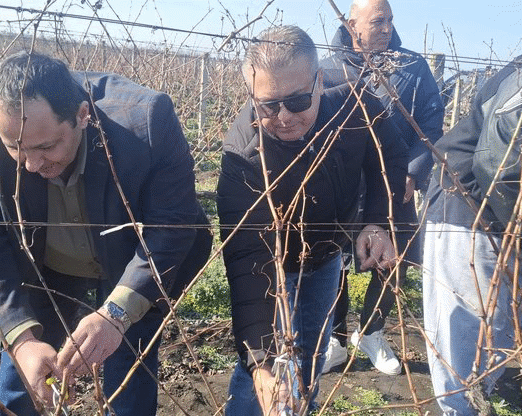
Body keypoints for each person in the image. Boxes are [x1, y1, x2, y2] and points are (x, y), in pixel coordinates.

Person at [0, 51, 212, 416]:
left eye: (46, 147)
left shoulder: (146, 121)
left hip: (129, 263)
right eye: (15, 148)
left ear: (82, 116)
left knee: (129, 384)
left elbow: (171, 225)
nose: (31, 165)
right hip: (43, 264)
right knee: (21, 382)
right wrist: (22, 341)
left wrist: (116, 313)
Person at [216, 25, 407, 415]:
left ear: (319, 81)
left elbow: (388, 152)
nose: (284, 117)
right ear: (252, 94)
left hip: (326, 255)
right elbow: (247, 262)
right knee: (264, 368)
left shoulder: (354, 102)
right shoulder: (243, 157)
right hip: (271, 263)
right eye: (268, 105)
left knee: (311, 357)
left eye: (298, 100)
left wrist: (376, 220)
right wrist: (262, 366)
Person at [319, 0, 444, 375]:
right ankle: (336, 340)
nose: (387, 27)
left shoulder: (412, 67)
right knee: (334, 261)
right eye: (378, 21)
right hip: (342, 186)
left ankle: (372, 333)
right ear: (351, 23)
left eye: (390, 20)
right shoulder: (327, 68)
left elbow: (430, 125)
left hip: (395, 185)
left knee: (391, 262)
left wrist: (413, 173)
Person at [422, 56, 522, 415]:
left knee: (498, 334)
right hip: (469, 212)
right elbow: (502, 167)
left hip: (497, 216)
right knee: (464, 353)